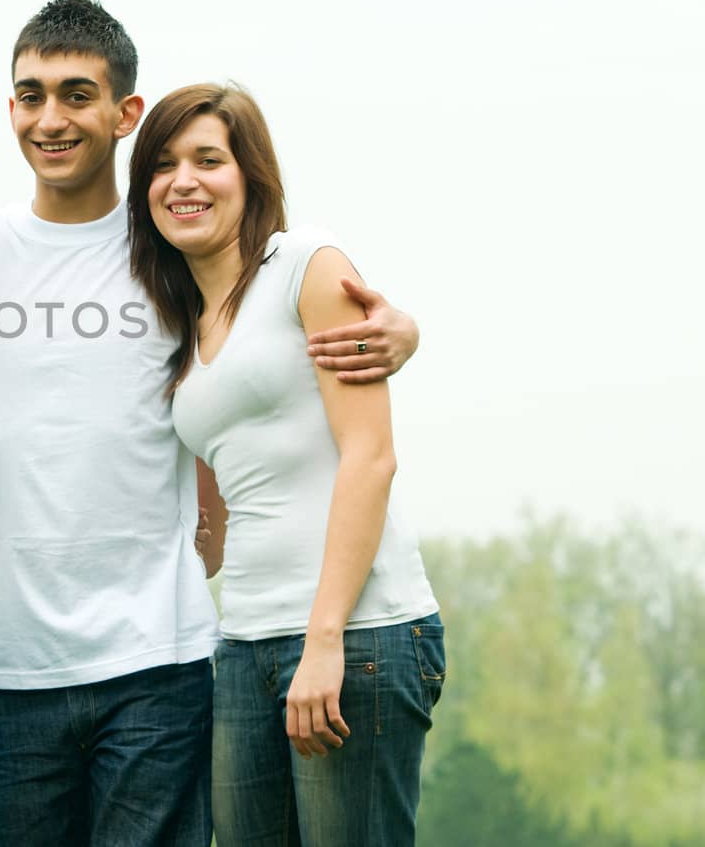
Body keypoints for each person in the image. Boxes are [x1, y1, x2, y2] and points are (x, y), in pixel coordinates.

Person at [0, 0, 421, 846]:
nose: (51, 118)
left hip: (159, 666)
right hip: (14, 665)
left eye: (77, 94)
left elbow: (259, 331)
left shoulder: (170, 248)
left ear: (125, 111)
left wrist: (404, 329)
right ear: (10, 109)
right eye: (31, 94)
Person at [127, 82, 445, 846]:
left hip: (358, 634)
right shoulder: (186, 324)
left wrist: (324, 637)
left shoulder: (306, 263)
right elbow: (219, 520)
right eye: (164, 164)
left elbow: (370, 458)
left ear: (251, 175)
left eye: (209, 159)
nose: (185, 180)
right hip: (244, 645)